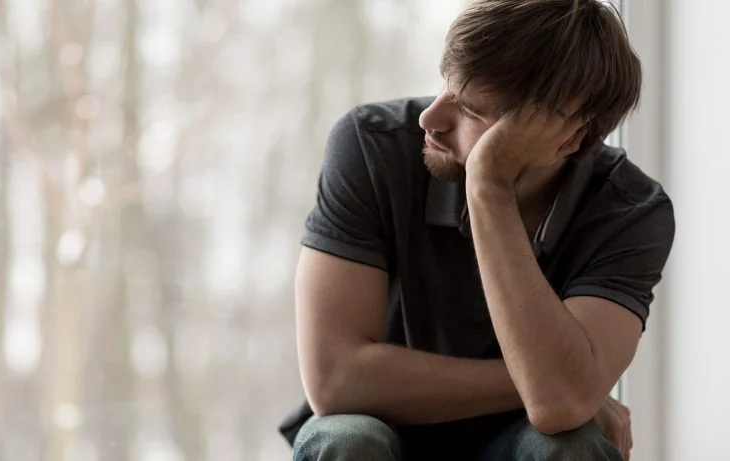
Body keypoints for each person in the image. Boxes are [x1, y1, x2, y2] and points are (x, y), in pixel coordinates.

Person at [279, 0, 675, 460]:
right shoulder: (371, 145)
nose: (432, 118)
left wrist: (488, 185)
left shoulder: (630, 211)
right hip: (385, 428)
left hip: (519, 440)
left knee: (574, 444)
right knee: (345, 440)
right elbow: (335, 380)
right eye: (446, 84)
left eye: (469, 109)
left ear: (566, 138)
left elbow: (556, 409)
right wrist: (553, 382)